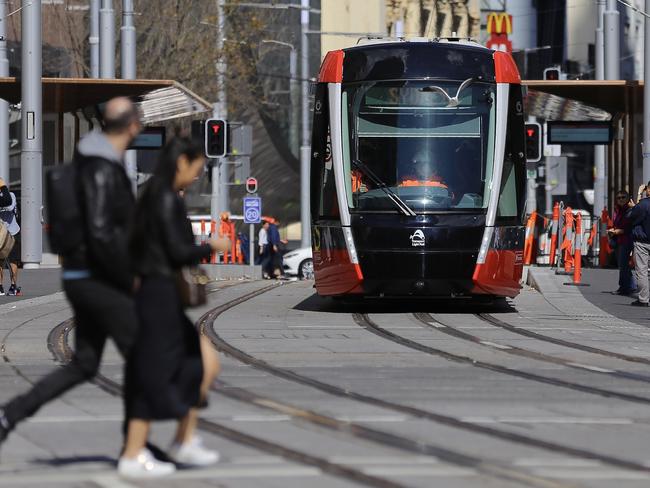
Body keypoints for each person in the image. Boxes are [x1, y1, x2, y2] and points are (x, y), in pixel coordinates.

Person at [0, 97, 143, 444]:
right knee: (147, 358)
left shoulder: (92, 161)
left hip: (83, 278)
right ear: (132, 125)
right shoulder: (103, 168)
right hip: (101, 281)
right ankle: (138, 451)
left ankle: (10, 414)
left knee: (85, 364)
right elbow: (101, 232)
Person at [121, 136, 227, 478]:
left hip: (158, 295)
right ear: (181, 162)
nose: (196, 176)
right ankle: (134, 454)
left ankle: (184, 439)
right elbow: (177, 252)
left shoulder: (157, 197)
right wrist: (212, 245)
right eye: (196, 168)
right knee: (153, 376)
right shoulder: (165, 199)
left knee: (204, 363)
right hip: (157, 298)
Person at [608, 190, 636, 296]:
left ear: (628, 198)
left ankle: (626, 287)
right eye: (618, 198)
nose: (620, 199)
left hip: (627, 240)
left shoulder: (630, 210)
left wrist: (616, 231)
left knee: (623, 265)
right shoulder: (617, 209)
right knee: (623, 265)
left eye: (623, 197)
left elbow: (629, 227)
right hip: (619, 239)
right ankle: (629, 286)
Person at [626, 182, 650, 306]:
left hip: (643, 242)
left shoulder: (644, 204)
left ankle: (644, 299)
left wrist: (639, 195)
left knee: (642, 271)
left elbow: (631, 215)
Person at [0, 182, 20, 295]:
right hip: (0, 233)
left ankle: (13, 286)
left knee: (13, 260)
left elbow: (9, 206)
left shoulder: (10, 195)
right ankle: (0, 286)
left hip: (12, 232)